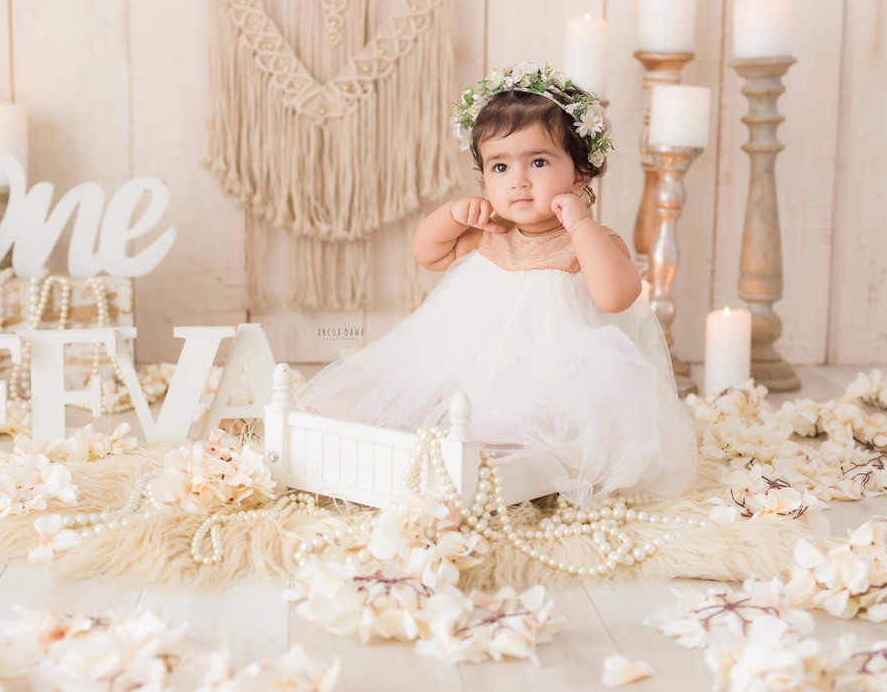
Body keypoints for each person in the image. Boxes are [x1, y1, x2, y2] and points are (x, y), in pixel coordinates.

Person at [293, 61, 698, 508]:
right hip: (469, 368)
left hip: (552, 379)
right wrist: (449, 216)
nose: (518, 181)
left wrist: (582, 225)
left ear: (580, 173)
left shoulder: (589, 242)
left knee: (523, 431)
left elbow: (616, 296)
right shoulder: (491, 230)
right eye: (500, 167)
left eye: (539, 162)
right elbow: (427, 254)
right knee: (423, 404)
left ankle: (505, 459)